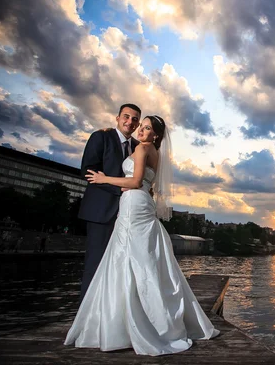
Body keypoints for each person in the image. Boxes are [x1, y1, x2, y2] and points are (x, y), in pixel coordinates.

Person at [64, 115, 219, 355]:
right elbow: (146, 183)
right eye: (141, 126)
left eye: (147, 128)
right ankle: (145, 318)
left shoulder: (143, 147)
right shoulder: (156, 153)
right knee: (141, 258)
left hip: (134, 204)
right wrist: (131, 185)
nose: (141, 130)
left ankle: (123, 322)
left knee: (127, 257)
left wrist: (104, 178)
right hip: (142, 203)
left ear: (155, 135)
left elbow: (135, 181)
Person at [77, 104, 141, 300]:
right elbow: (88, 171)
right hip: (101, 212)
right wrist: (118, 188)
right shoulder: (101, 137)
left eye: (134, 119)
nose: (130, 122)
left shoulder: (138, 147)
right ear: (117, 117)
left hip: (127, 214)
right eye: (126, 116)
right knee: (95, 265)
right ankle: (85, 320)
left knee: (121, 267)